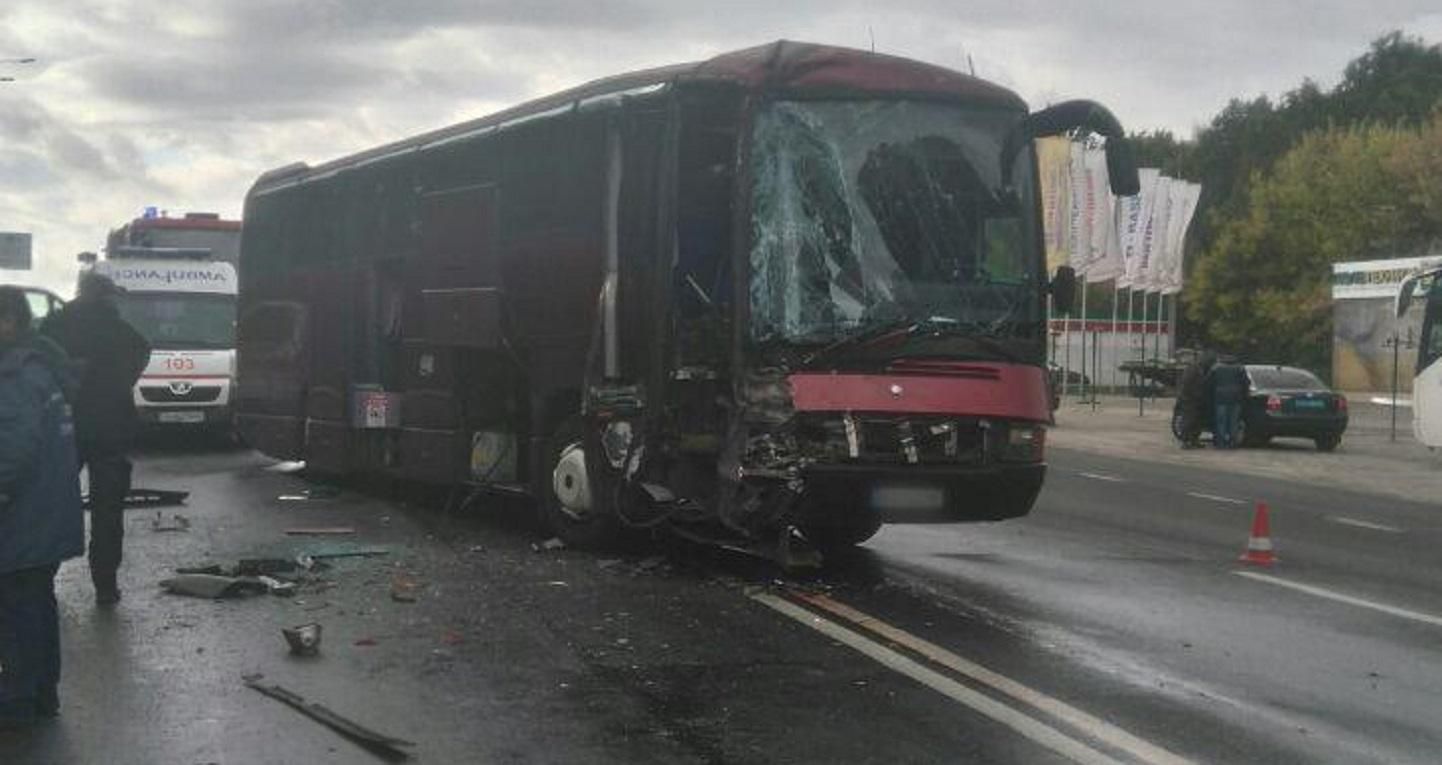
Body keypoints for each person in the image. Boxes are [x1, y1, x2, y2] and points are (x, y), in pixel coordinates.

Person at [0, 286, 84, 726]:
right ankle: (41, 693)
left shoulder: (13, 373)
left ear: (9, 323)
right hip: (45, 512)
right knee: (35, 604)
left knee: (14, 610)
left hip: (22, 517)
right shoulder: (41, 366)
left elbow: (10, 449)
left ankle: (16, 701)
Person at [42, 273, 150, 605]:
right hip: (110, 427)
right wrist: (121, 383)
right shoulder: (118, 329)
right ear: (105, 297)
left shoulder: (54, 325)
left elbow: (39, 363)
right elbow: (142, 351)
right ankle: (105, 584)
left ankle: (43, 578)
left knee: (52, 506)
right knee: (108, 510)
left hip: (63, 428)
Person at [1176, 351, 1216, 448]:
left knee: (1197, 421)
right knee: (1189, 420)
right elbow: (1186, 384)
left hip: (1197, 399)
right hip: (1190, 399)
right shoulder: (1193, 369)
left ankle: (1194, 440)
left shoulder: (1200, 369)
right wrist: (1189, 396)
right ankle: (1185, 441)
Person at [1208, 357, 1248, 449]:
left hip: (1220, 397)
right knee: (1234, 421)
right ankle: (1232, 442)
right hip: (1236, 397)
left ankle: (1220, 442)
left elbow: (1209, 382)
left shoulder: (1216, 367)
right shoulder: (1240, 368)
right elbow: (1245, 383)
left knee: (1221, 421)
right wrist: (1243, 395)